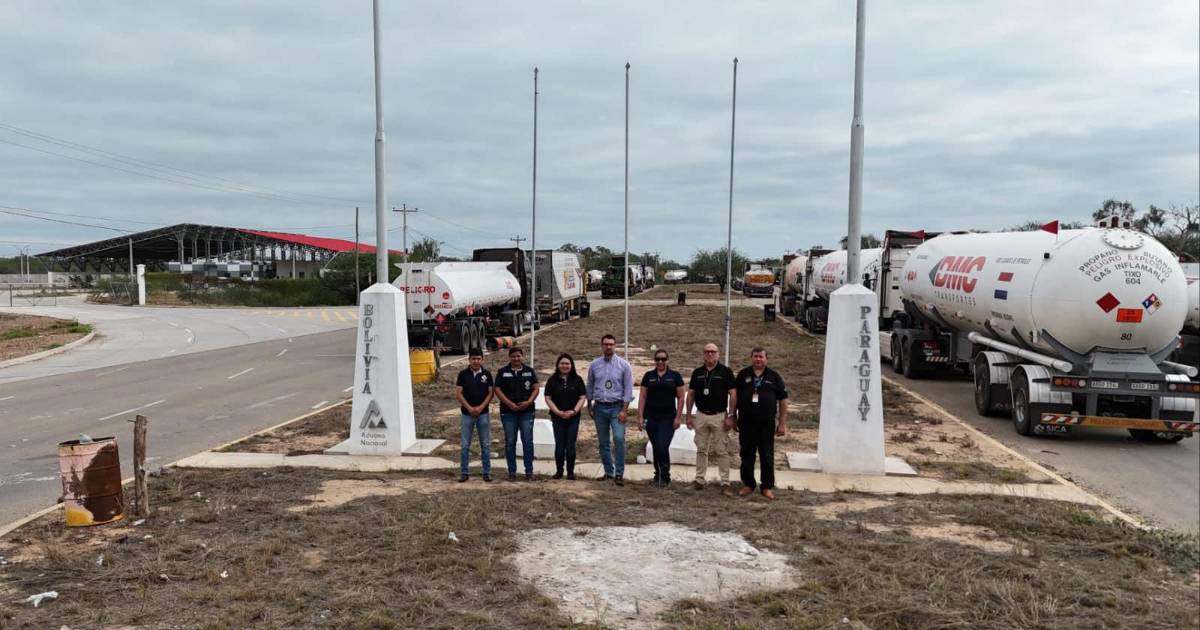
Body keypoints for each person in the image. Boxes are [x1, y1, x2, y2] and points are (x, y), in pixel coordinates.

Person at [733, 347, 788, 499]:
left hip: (766, 424)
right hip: (746, 423)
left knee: (766, 455)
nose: (758, 359)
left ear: (766, 359)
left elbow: (783, 400)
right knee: (746, 454)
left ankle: (766, 486)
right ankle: (748, 484)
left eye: (761, 356)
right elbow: (735, 397)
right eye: (755, 356)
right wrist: (733, 416)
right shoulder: (743, 375)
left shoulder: (774, 376)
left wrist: (782, 423)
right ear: (751, 358)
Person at [684, 342, 738, 496]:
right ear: (703, 354)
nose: (709, 354)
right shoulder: (697, 372)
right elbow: (691, 394)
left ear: (718, 354)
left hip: (719, 416)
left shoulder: (725, 372)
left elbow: (733, 394)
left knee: (721, 450)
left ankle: (725, 483)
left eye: (712, 352)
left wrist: (731, 415)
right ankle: (699, 480)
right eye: (707, 352)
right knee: (701, 449)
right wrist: (689, 415)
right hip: (701, 415)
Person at [586, 333, 633, 486]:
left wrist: (624, 410)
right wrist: (589, 404)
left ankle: (619, 473)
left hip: (617, 408)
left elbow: (628, 389)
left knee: (618, 439)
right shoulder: (594, 365)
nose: (608, 347)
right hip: (599, 408)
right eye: (606, 344)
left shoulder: (624, 365)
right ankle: (609, 472)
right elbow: (590, 385)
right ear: (602, 346)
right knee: (603, 442)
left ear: (615, 346)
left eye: (611, 344)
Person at [637, 349, 685, 487]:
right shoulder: (648, 376)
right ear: (654, 360)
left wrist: (678, 418)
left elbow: (681, 397)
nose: (660, 362)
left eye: (663, 359)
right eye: (657, 359)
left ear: (667, 360)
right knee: (656, 447)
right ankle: (657, 476)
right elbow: (642, 397)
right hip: (651, 417)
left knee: (662, 445)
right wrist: (640, 416)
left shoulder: (675, 376)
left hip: (668, 418)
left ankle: (665, 477)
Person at [494, 346, 539, 481]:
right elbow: (497, 390)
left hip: (527, 412)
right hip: (508, 412)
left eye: (518, 356)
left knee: (527, 442)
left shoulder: (530, 371)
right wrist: (509, 404)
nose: (516, 358)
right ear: (509, 357)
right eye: (513, 356)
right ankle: (512, 472)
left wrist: (528, 402)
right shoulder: (502, 372)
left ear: (522, 356)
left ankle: (529, 472)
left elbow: (536, 388)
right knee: (510, 442)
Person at [544, 353, 587, 480]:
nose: (565, 366)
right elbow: (548, 398)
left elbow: (582, 397)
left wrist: (574, 411)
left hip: (573, 417)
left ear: (571, 365)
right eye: (562, 363)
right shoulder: (552, 380)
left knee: (570, 446)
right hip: (557, 417)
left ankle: (570, 472)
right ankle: (559, 471)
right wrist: (558, 412)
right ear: (558, 365)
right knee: (559, 446)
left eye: (567, 363)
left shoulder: (578, 380)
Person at [454, 348, 494, 482]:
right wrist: (470, 408)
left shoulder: (487, 374)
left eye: (478, 358)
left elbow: (491, 393)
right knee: (465, 445)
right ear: (469, 360)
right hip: (467, 414)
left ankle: (487, 472)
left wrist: (481, 407)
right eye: (473, 359)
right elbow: (459, 393)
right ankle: (464, 473)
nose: (476, 361)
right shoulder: (463, 374)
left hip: (483, 414)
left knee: (485, 445)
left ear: (482, 359)